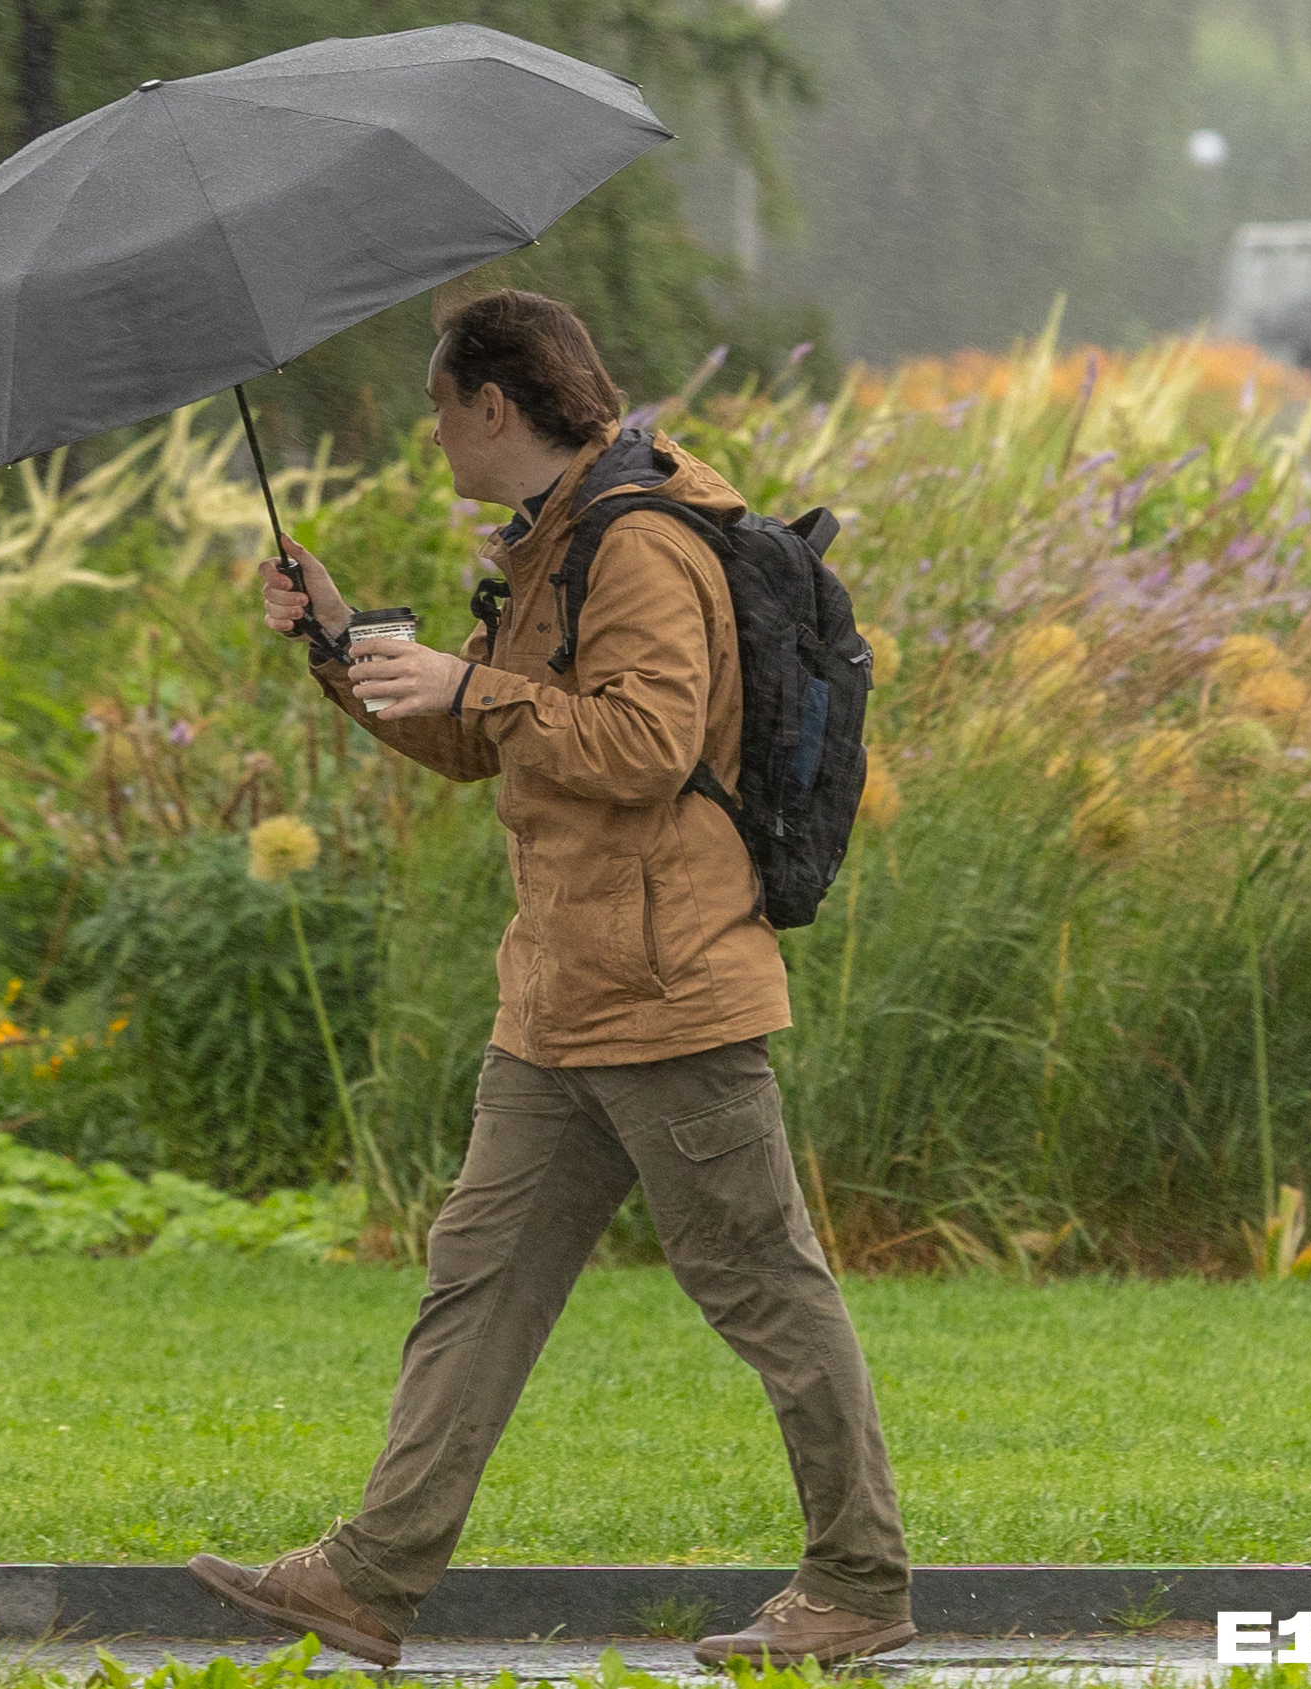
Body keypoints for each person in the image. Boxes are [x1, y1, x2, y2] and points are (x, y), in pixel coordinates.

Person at [185, 290, 914, 1670]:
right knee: (478, 1279)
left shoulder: (634, 541)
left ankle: (859, 1581)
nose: (432, 432)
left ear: (492, 406)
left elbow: (640, 742)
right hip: (562, 996)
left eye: (438, 405)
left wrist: (473, 692)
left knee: (763, 1285)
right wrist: (342, 646)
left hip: (667, 986)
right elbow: (487, 742)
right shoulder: (557, 539)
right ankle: (369, 1572)